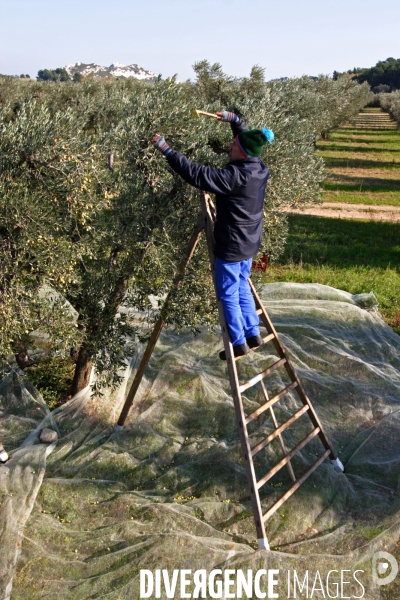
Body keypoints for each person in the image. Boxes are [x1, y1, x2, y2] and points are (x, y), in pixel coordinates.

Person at [152, 111, 274, 360]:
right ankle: (253, 333)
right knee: (241, 287)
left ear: (242, 152)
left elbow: (196, 173)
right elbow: (244, 136)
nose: (230, 146)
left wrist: (167, 150)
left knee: (228, 292)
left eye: (234, 145)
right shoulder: (259, 167)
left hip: (232, 245)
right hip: (250, 242)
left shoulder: (233, 177)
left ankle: (238, 343)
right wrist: (232, 118)